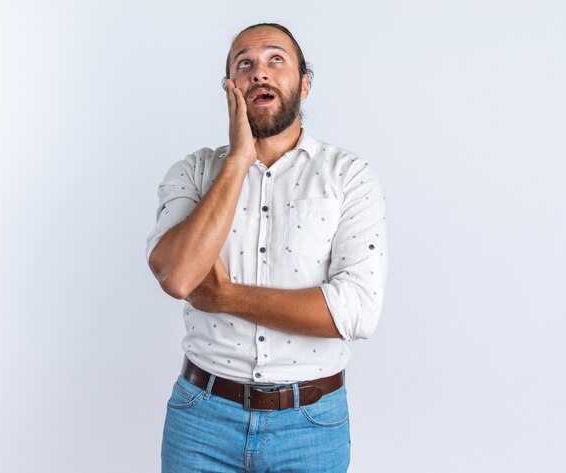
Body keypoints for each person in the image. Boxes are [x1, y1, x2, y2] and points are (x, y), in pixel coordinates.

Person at [145, 22, 388, 472]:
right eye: (245, 64)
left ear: (304, 84)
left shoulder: (349, 177)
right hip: (201, 420)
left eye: (276, 59)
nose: (260, 72)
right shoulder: (194, 172)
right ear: (230, 89)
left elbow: (355, 312)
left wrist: (226, 296)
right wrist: (239, 159)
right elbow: (179, 276)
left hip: (311, 427)